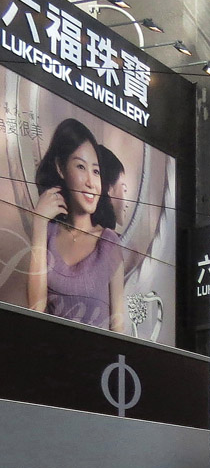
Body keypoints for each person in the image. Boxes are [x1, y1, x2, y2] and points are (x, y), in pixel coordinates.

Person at [28, 118, 126, 332]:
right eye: (81, 167)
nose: (91, 182)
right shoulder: (47, 235)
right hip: (48, 350)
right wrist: (39, 224)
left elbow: (118, 329)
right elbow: (35, 310)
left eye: (96, 171)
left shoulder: (109, 242)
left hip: (97, 354)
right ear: (60, 169)